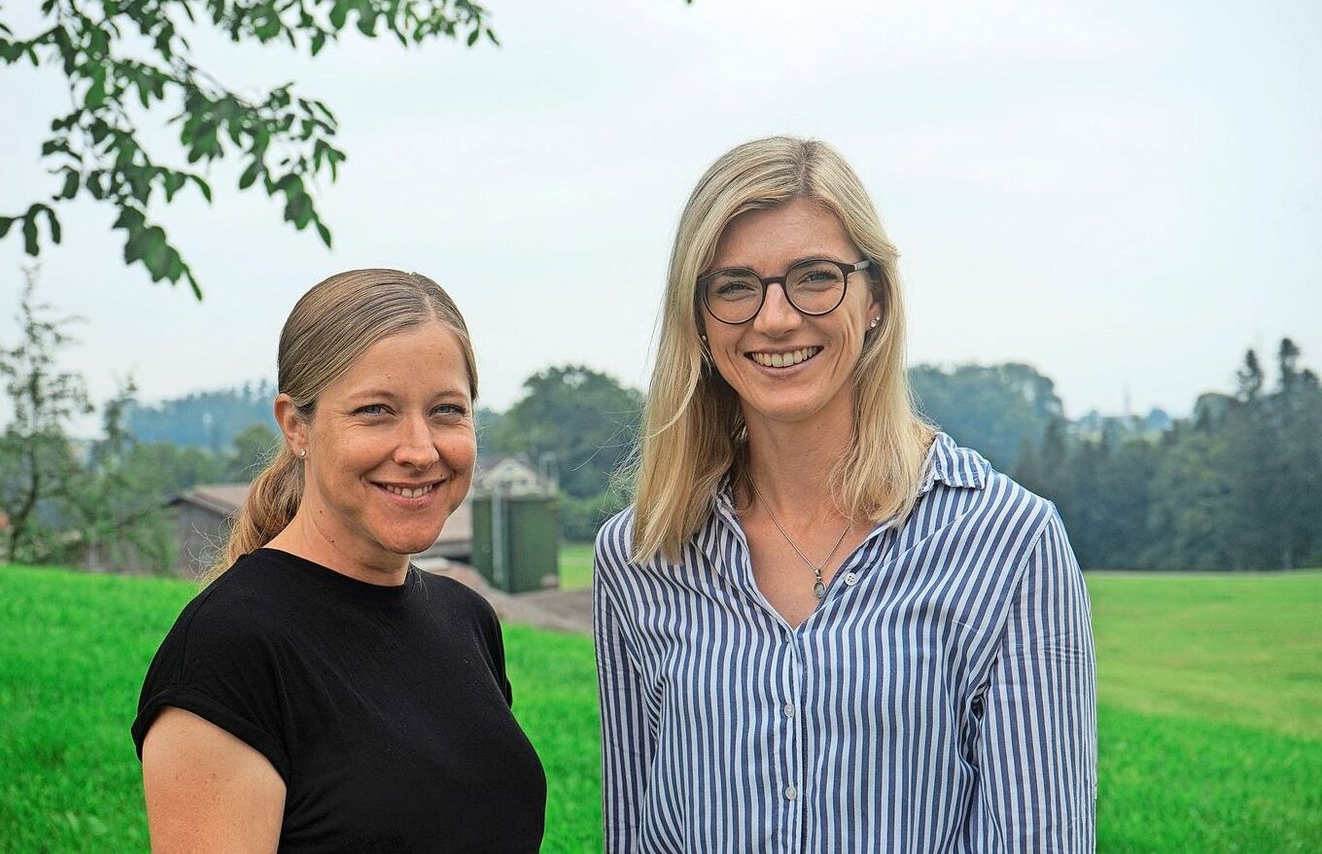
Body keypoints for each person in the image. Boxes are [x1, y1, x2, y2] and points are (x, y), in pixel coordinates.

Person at [594, 137, 1096, 852]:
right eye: (734, 285)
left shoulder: (1012, 542)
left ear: (876, 301)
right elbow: (635, 835)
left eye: (815, 276)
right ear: (699, 320)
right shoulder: (639, 554)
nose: (774, 318)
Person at [133, 269, 546, 853]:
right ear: (296, 425)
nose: (419, 450)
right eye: (376, 410)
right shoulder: (230, 649)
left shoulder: (466, 619)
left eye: (447, 411)